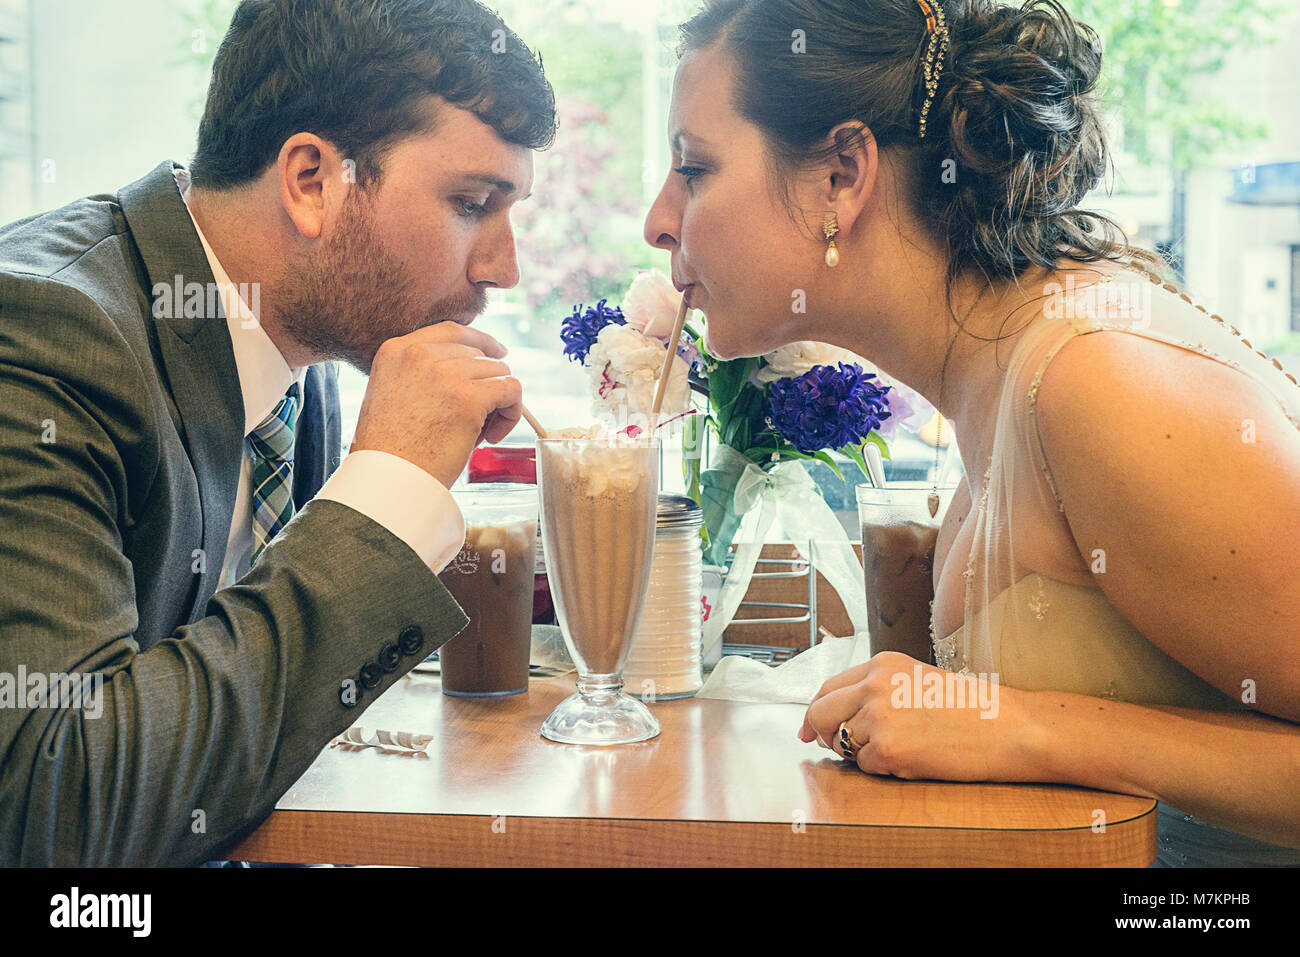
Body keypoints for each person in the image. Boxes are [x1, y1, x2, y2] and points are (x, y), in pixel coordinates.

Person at [644, 0, 1300, 865]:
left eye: (693, 169)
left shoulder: (1093, 381)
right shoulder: (991, 369)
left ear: (841, 175)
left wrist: (1023, 725)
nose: (658, 219)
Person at [0, 0, 554, 866]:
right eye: (472, 202)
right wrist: (388, 490)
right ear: (310, 181)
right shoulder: (43, 332)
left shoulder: (304, 351)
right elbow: (57, 805)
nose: (503, 267)